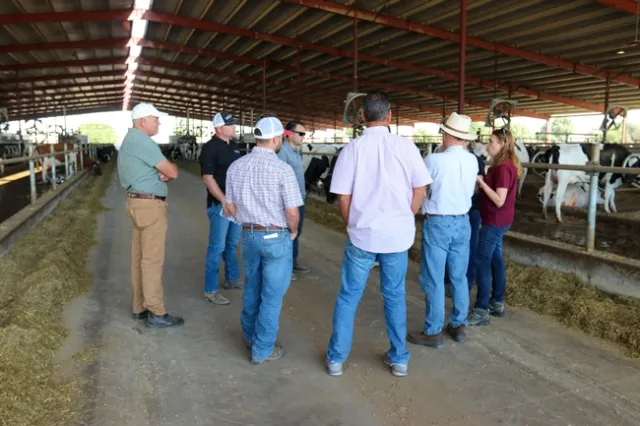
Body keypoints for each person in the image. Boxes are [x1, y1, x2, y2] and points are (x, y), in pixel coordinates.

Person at [325, 90, 432, 377]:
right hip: (397, 237)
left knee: (349, 296)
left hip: (362, 236)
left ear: (362, 117)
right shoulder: (407, 148)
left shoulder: (352, 149)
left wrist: (352, 225)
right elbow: (420, 189)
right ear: (389, 116)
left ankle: (336, 359)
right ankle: (399, 359)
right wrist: (405, 216)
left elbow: (343, 198)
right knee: (394, 296)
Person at [224, 116, 303, 365]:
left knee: (252, 287)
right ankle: (262, 349)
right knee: (271, 296)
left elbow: (229, 206)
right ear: (277, 138)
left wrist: (246, 221)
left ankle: (250, 337)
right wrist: (293, 231)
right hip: (275, 235)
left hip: (249, 234)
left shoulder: (236, 166)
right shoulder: (282, 169)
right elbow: (292, 212)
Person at [407, 112, 478, 348]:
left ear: (448, 135)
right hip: (463, 222)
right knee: (458, 276)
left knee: (434, 278)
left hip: (438, 222)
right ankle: (458, 325)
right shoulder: (473, 160)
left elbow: (422, 191)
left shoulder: (433, 160)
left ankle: (433, 331)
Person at [117, 102, 183, 328]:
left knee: (138, 258)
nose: (159, 122)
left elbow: (152, 171)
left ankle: (139, 308)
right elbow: (172, 171)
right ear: (143, 120)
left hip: (136, 203)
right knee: (152, 261)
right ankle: (156, 312)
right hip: (150, 207)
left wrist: (158, 175)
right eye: (156, 118)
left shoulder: (130, 140)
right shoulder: (143, 141)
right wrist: (166, 173)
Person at [467, 127, 522, 326]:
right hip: (500, 219)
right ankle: (497, 302)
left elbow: (499, 199)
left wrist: (481, 183)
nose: (488, 145)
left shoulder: (502, 168)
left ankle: (481, 309)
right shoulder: (503, 165)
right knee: (496, 258)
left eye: (491, 142)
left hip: (495, 220)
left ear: (502, 145)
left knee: (482, 260)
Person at [199, 111, 243, 306]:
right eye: (230, 124)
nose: (234, 127)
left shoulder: (235, 147)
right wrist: (224, 201)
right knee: (217, 247)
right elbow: (208, 178)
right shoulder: (210, 148)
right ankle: (210, 290)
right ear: (219, 128)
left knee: (232, 243)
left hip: (237, 205)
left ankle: (232, 279)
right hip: (220, 205)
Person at [277, 120, 311, 280]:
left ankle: (293, 262)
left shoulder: (296, 151)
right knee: (288, 233)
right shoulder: (283, 152)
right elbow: (279, 178)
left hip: (299, 199)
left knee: (296, 232)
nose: (303, 136)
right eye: (301, 133)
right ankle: (285, 267)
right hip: (289, 201)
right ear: (289, 134)